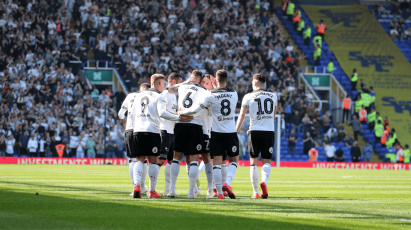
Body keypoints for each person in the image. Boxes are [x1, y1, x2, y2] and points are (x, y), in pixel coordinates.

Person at [185, 70, 240, 199]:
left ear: (216, 79)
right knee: (233, 161)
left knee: (216, 163)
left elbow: (197, 109)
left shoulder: (210, 95)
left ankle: (219, 193)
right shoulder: (234, 94)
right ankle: (227, 183)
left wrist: (184, 113)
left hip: (216, 133)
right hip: (230, 132)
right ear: (226, 81)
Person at [236, 73, 277, 199]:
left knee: (253, 161)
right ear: (264, 84)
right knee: (267, 161)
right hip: (269, 131)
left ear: (254, 83)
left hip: (254, 131)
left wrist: (235, 132)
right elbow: (273, 114)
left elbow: (242, 116)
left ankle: (255, 192)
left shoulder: (248, 96)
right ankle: (264, 182)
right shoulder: (273, 96)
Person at [154, 73, 183, 197]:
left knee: (171, 161)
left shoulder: (176, 96)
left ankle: (168, 189)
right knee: (161, 159)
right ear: (174, 82)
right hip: (164, 130)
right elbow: (163, 113)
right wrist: (178, 117)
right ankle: (152, 189)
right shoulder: (164, 94)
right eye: (180, 82)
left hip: (172, 131)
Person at [118, 88, 142, 195]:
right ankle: (142, 186)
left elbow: (120, 114)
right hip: (142, 129)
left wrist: (125, 122)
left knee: (132, 160)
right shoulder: (145, 96)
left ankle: (135, 187)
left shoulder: (129, 96)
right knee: (142, 159)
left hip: (129, 129)